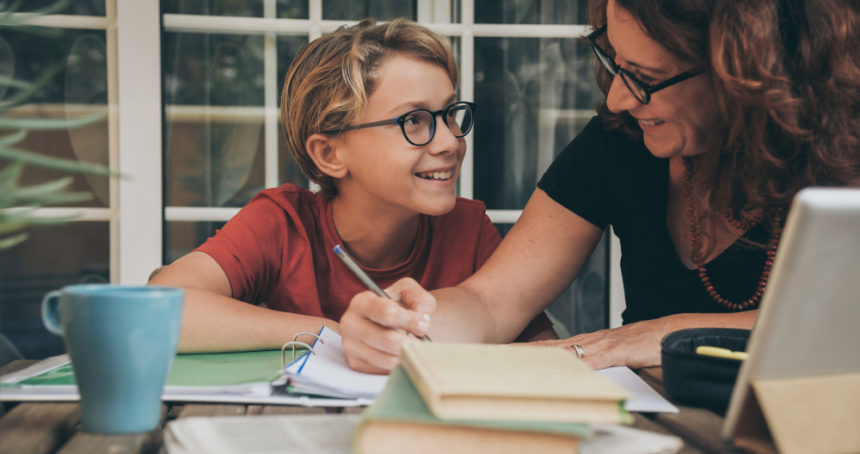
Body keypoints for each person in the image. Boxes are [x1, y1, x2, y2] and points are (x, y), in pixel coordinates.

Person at [339, 0, 860, 373]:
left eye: (645, 76)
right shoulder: (621, 141)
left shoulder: (844, 151)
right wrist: (410, 326)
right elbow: (491, 302)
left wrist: (655, 334)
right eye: (615, 62)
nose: (617, 100)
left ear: (747, 72)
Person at [149, 19, 554, 351]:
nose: (450, 141)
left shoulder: (467, 229)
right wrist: (337, 335)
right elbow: (160, 308)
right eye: (413, 120)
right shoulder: (283, 224)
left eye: (450, 113)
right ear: (330, 155)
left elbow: (543, 352)